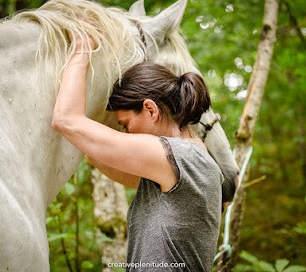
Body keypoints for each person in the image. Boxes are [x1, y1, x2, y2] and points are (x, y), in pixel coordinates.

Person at [52, 38, 223, 271]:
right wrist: (88, 149)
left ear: (150, 110)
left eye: (125, 124)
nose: (126, 132)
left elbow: (66, 120)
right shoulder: (190, 160)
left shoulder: (178, 156)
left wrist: (81, 48)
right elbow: (114, 165)